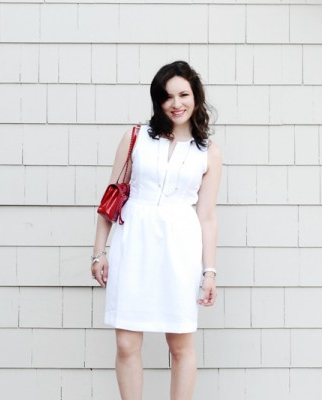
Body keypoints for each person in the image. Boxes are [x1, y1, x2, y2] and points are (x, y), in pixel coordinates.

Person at [90, 60, 222, 400]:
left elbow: (206, 216)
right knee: (126, 342)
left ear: (196, 97)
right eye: (167, 96)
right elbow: (111, 197)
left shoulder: (208, 152)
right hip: (134, 241)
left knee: (180, 343)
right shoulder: (136, 137)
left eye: (184, 95)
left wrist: (209, 271)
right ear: (157, 100)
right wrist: (99, 252)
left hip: (180, 247)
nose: (176, 103)